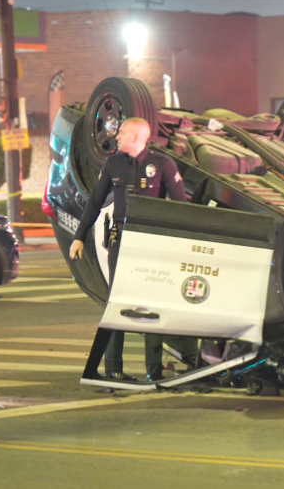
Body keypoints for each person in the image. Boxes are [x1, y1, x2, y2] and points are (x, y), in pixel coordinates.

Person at [71, 117, 187, 382]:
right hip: (121, 242)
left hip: (151, 245)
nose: (116, 136)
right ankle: (114, 369)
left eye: (122, 132)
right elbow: (95, 202)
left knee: (153, 305)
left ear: (136, 137)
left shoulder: (162, 165)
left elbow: (180, 207)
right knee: (117, 303)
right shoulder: (113, 163)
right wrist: (79, 237)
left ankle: (154, 372)